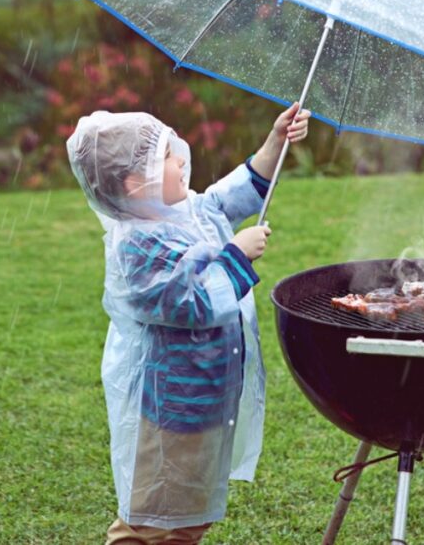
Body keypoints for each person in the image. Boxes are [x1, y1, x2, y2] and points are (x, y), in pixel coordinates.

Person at [66, 102, 311, 544]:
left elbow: (229, 196)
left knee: (187, 517)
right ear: (135, 183)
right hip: (175, 406)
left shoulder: (184, 212)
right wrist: (236, 255)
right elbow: (191, 303)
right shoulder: (137, 243)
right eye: (166, 157)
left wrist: (276, 141)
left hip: (203, 397)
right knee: (152, 521)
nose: (181, 159)